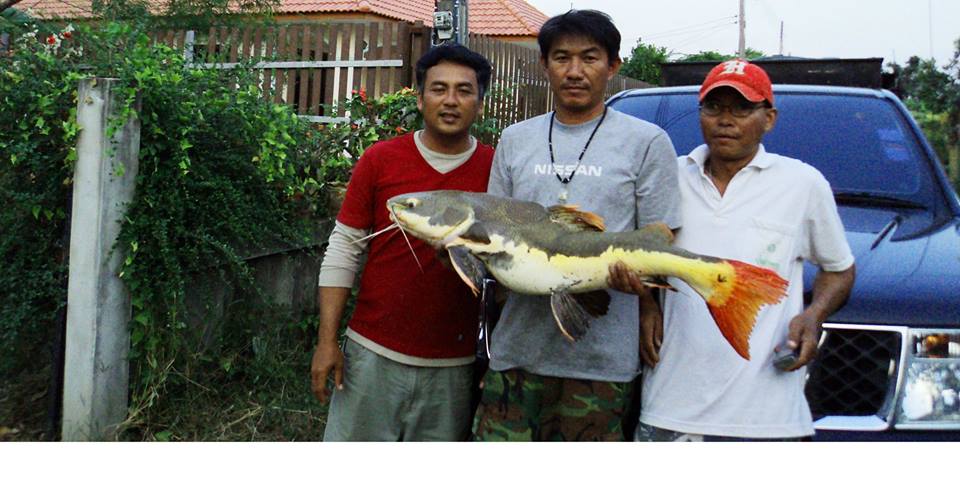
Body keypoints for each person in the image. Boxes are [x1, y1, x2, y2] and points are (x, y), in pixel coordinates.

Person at [473, 9, 682, 441]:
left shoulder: (647, 142)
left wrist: (648, 303)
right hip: (517, 352)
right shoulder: (515, 139)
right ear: (544, 64)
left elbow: (660, 239)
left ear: (613, 66)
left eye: (589, 58)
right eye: (562, 57)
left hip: (602, 360)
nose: (574, 71)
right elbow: (496, 233)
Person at [635, 60, 856, 441]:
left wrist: (815, 314)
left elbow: (839, 269)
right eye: (714, 107)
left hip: (769, 419)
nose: (725, 120)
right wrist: (646, 304)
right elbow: (643, 258)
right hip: (671, 410)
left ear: (768, 118)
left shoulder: (802, 184)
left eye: (741, 108)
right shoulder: (669, 177)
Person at [310, 43, 493, 441]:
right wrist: (327, 342)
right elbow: (344, 249)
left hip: (455, 365)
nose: (450, 100)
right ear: (420, 96)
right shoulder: (380, 159)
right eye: (438, 88)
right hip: (372, 355)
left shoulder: (497, 170)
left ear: (480, 102)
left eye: (464, 90)